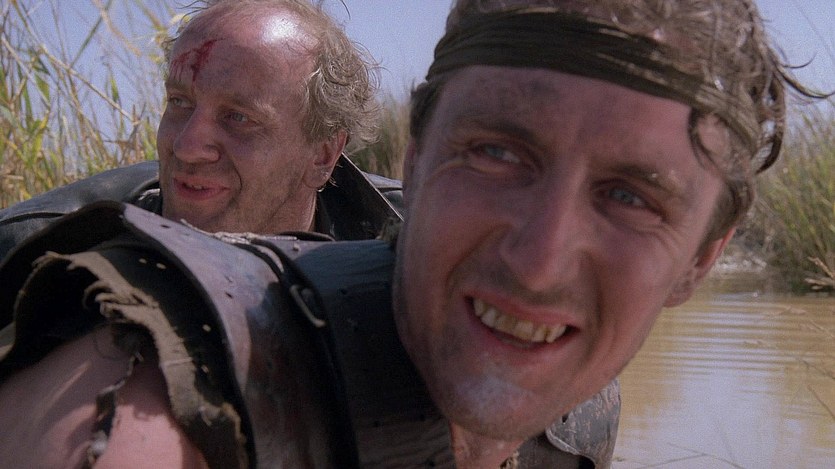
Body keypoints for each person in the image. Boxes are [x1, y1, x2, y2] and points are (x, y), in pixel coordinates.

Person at [0, 0, 819, 467]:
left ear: (701, 258)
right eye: (497, 152)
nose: (539, 262)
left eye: (630, 196)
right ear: (416, 157)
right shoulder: (152, 394)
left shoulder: (578, 408)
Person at [0, 0, 396, 261]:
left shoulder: (407, 243)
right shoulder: (43, 250)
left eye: (238, 117)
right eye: (180, 102)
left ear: (323, 155)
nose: (187, 147)